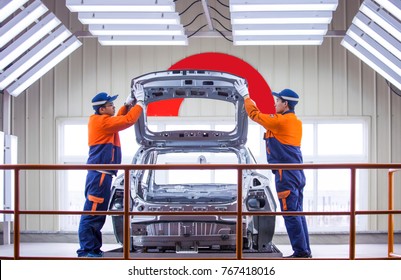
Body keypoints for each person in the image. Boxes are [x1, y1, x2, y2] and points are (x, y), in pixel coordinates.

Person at [234, 80, 311, 258]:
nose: (274, 103)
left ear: (285, 104)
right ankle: (305, 250)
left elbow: (255, 115)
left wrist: (246, 95)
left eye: (277, 101)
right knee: (298, 212)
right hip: (297, 173)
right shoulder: (295, 122)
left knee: (290, 214)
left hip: (286, 175)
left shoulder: (281, 122)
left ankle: (300, 252)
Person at [76, 84, 145, 258]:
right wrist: (140, 103)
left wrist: (126, 104)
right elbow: (128, 121)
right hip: (100, 176)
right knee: (92, 213)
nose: (113, 107)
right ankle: (86, 250)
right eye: (110, 105)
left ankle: (93, 248)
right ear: (102, 109)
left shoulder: (102, 120)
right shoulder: (102, 122)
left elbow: (121, 117)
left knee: (97, 213)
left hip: (101, 175)